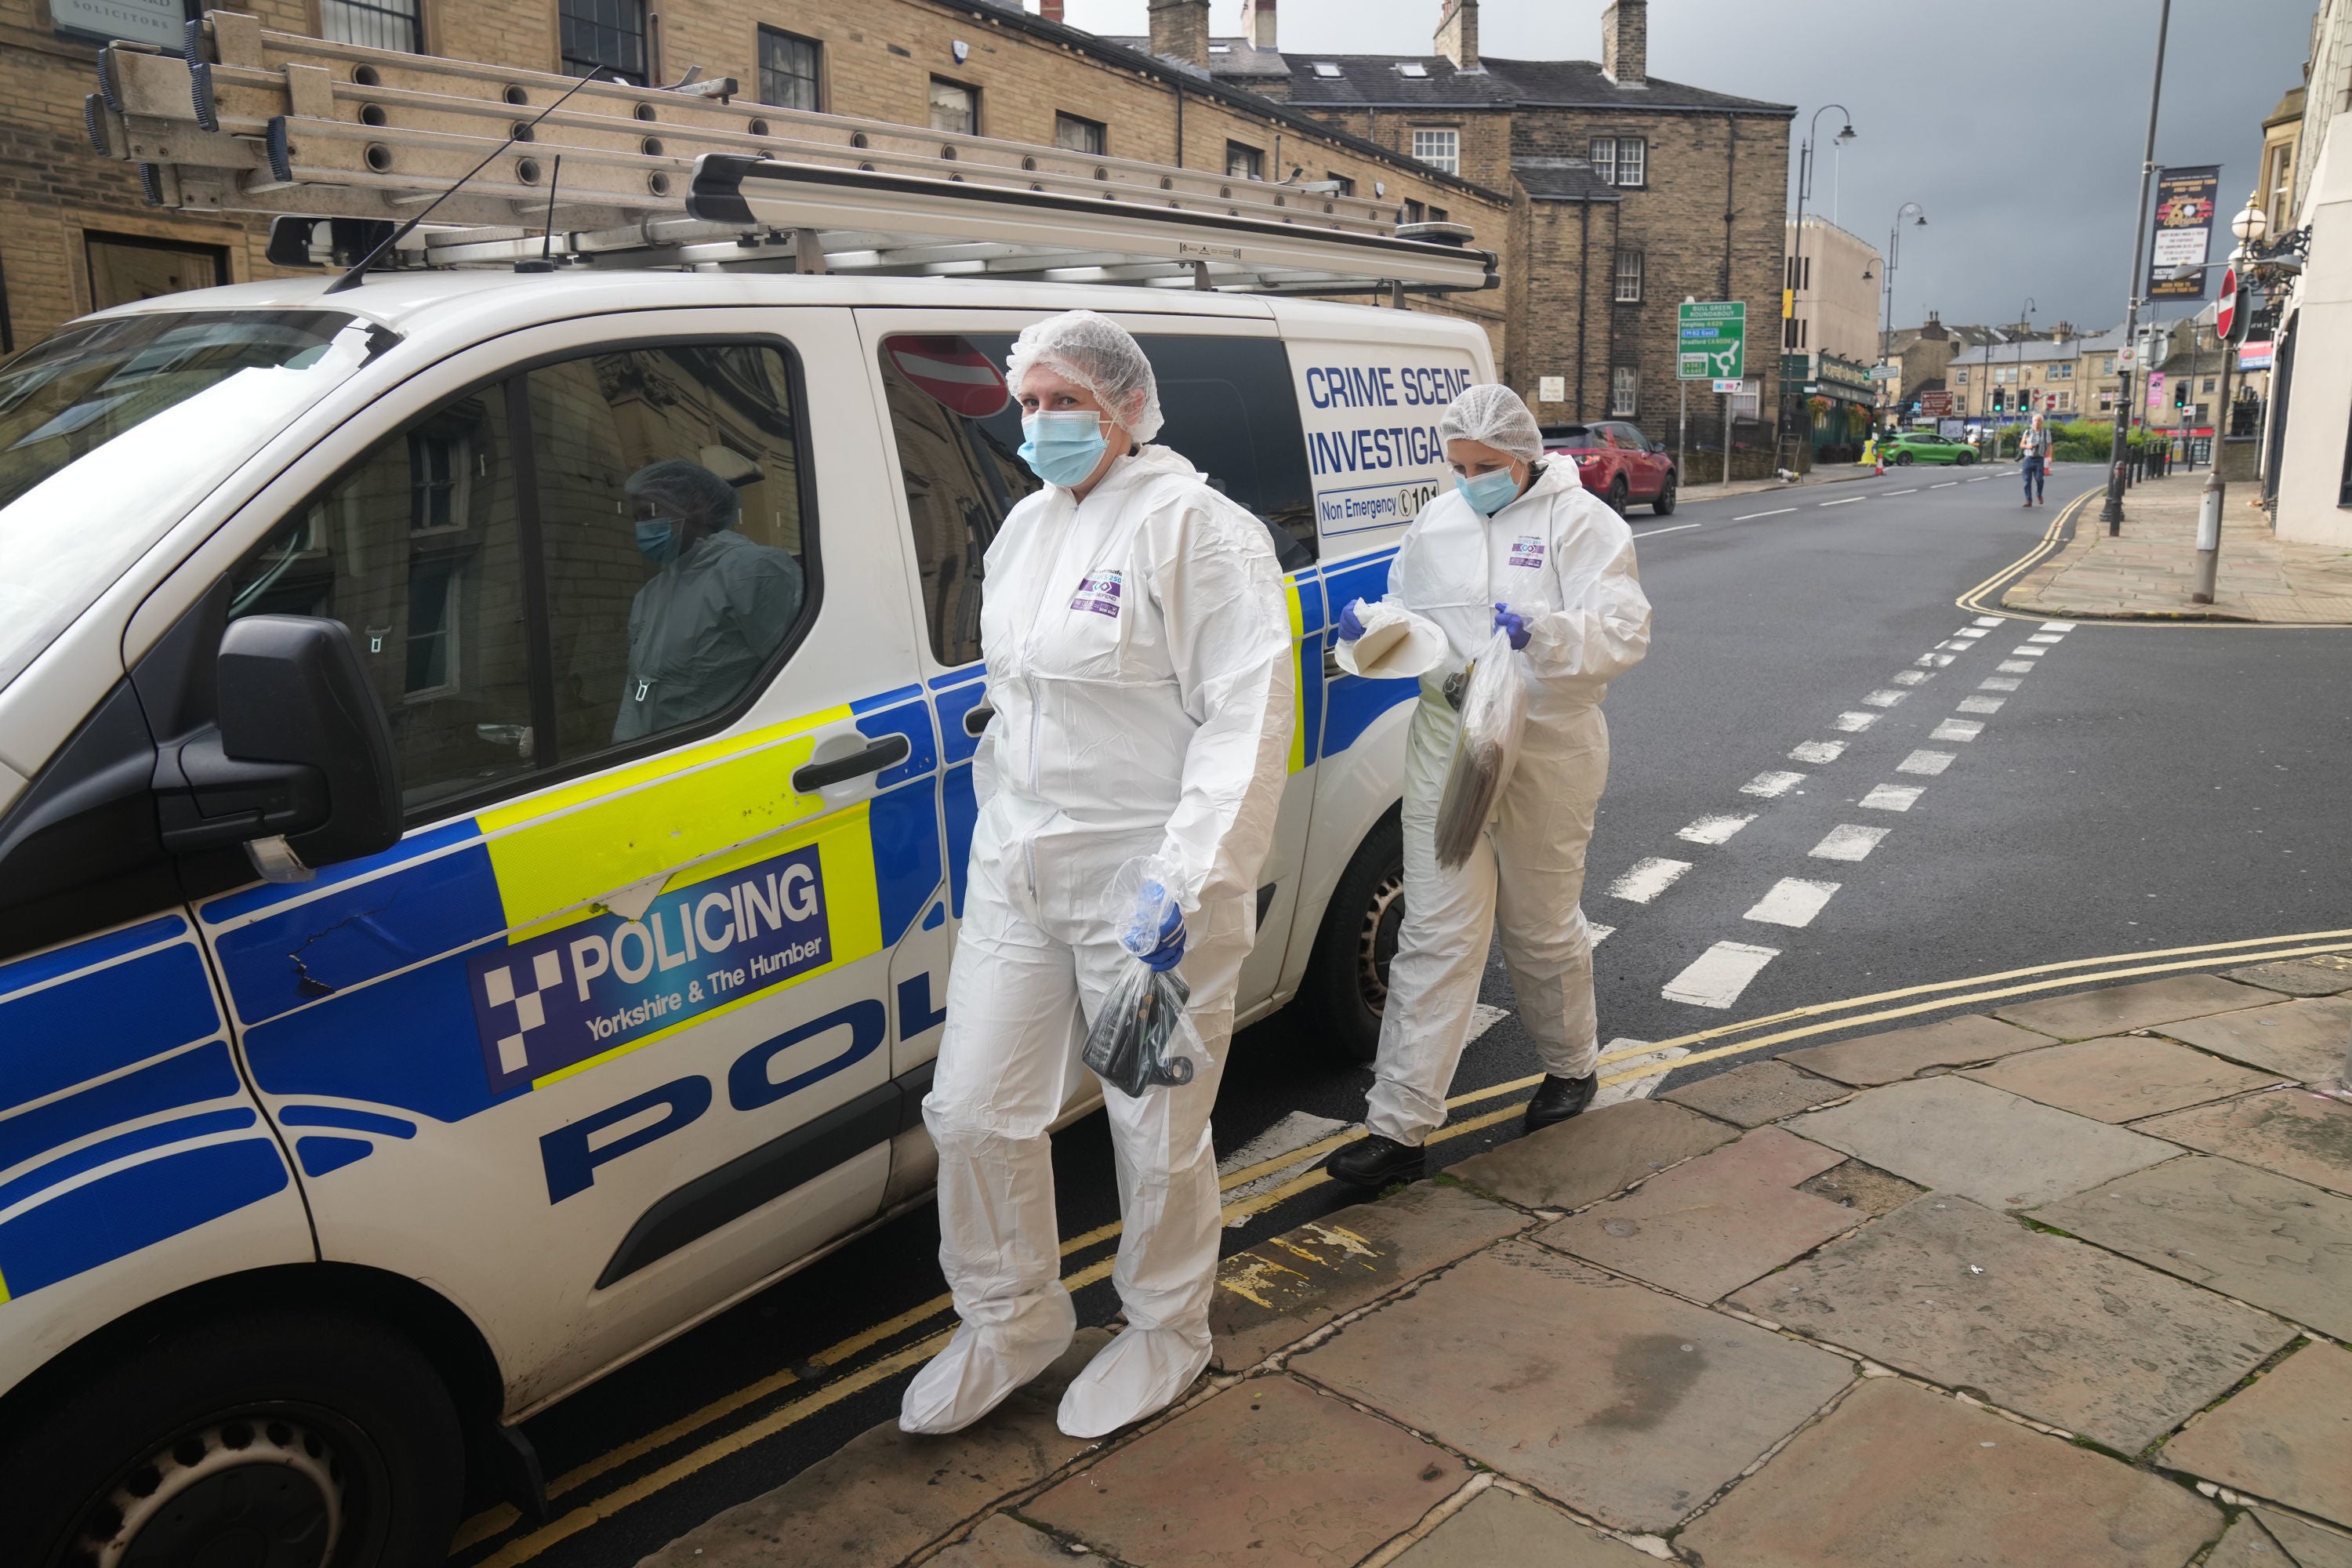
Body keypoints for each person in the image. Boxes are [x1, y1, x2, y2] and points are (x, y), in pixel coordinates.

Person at [901, 311, 1294, 1440]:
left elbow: (1246, 723)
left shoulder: (1200, 532)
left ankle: (1168, 1327)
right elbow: (1018, 698)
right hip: (1022, 876)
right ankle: (1011, 1317)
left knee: (1153, 1125)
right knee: (973, 1110)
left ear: (1125, 404)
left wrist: (1189, 879)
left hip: (1147, 893)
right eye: (1028, 404)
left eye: (1064, 400)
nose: (1042, 423)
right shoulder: (1025, 528)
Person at [1323, 384, 1650, 1190]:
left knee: (1538, 924)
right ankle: (1398, 1128)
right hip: (1449, 737)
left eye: (1486, 466)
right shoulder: (1438, 523)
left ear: (1526, 454)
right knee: (1435, 931)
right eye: (1459, 465)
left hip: (1547, 740)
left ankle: (1571, 1066)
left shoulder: (1584, 525)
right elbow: (1408, 605)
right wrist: (1374, 627)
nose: (1471, 480)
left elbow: (1624, 630)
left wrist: (1544, 633)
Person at [614, 458, 804, 741]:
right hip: (659, 760)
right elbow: (640, 687)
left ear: (696, 505)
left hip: (727, 756)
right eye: (636, 518)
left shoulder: (752, 571)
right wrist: (623, 750)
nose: (641, 528)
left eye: (649, 512)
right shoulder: (651, 594)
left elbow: (799, 679)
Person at [2020, 413, 2049, 507]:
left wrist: (2050, 456)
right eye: (2035, 420)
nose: (2037, 422)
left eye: (2039, 420)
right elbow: (2022, 444)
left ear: (2042, 422)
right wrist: (2028, 446)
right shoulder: (2028, 432)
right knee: (2027, 481)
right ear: (2032, 422)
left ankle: (2039, 494)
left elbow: (2050, 445)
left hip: (2039, 459)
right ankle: (2028, 500)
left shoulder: (2045, 433)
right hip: (2028, 458)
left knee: (2039, 479)